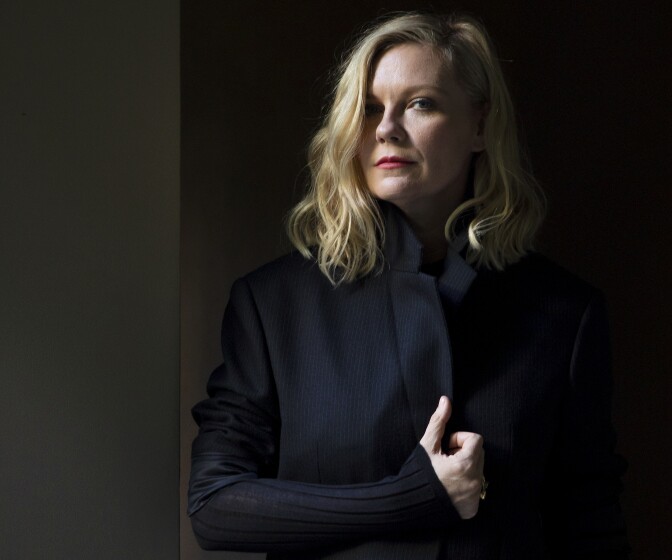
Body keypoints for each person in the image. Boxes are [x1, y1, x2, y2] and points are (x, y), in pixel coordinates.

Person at [188, 10, 630, 559]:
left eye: (420, 103)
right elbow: (215, 505)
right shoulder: (273, 304)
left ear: (479, 125)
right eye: (369, 108)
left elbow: (591, 521)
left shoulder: (564, 311)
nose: (386, 129)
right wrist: (412, 496)